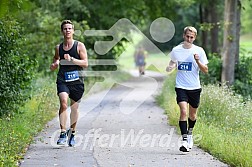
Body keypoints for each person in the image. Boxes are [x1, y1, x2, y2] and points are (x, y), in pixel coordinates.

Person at [166, 26, 208, 152]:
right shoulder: (176, 50)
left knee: (192, 115)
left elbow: (205, 70)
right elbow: (172, 62)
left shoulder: (199, 51)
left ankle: (190, 134)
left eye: (192, 37)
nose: (189, 39)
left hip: (194, 88)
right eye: (187, 36)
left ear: (194, 38)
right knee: (183, 111)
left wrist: (198, 61)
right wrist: (170, 67)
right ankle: (184, 140)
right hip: (181, 86)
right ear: (183, 36)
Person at [50, 20, 88, 147]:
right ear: (62, 31)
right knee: (63, 103)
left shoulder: (79, 46)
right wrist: (55, 63)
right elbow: (56, 58)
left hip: (77, 81)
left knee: (75, 108)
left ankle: (72, 132)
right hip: (63, 79)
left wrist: (72, 59)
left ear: (73, 31)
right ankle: (62, 133)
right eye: (65, 29)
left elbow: (85, 63)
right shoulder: (58, 47)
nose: (67, 31)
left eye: (70, 28)